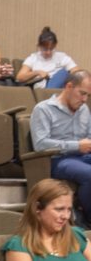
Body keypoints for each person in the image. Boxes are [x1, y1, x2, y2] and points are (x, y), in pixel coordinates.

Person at [30, 70, 91, 224]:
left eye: (88, 96)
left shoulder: (84, 109)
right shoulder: (43, 109)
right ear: (69, 86)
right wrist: (76, 146)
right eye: (82, 93)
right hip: (58, 159)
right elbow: (40, 144)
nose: (84, 99)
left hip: (83, 157)